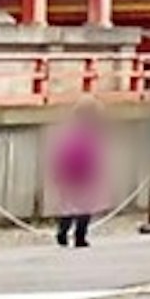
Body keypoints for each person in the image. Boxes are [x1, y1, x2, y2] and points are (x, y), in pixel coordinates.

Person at [43, 98, 105, 250]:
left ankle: (62, 232)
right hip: (85, 174)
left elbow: (56, 154)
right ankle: (80, 236)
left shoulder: (64, 130)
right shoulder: (93, 133)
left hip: (66, 174)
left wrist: (56, 172)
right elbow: (96, 155)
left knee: (67, 205)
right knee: (85, 206)